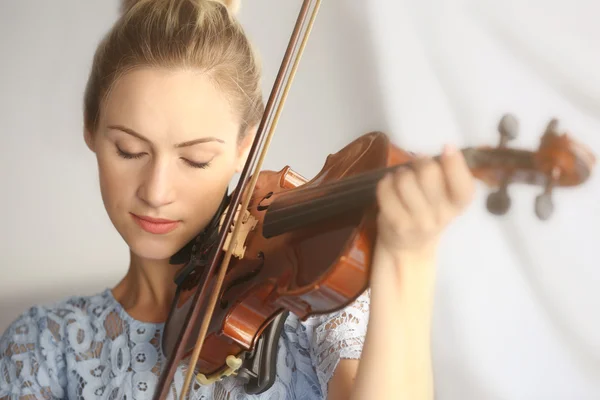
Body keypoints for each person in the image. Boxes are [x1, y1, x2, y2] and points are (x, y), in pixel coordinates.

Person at [0, 0, 475, 399]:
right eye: (130, 150)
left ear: (246, 145)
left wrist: (409, 258)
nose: (156, 191)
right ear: (90, 128)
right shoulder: (42, 346)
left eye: (197, 159)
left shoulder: (312, 296)